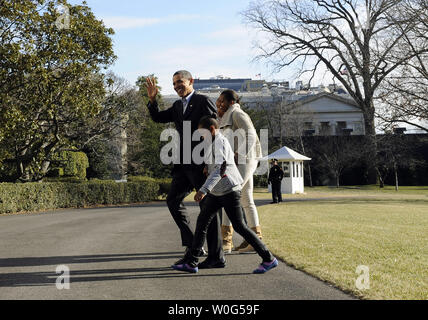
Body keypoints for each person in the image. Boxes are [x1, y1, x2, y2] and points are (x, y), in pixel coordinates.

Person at [172, 116, 278, 274]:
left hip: (229, 190)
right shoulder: (213, 142)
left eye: (202, 133)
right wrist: (207, 168)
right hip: (217, 192)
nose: (201, 136)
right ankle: (192, 262)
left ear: (212, 130)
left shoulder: (219, 141)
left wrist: (203, 190)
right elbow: (216, 164)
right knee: (202, 223)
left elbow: (221, 169)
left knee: (239, 227)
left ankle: (268, 258)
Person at [145, 71, 225, 269]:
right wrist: (153, 100)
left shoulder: (203, 101)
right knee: (172, 200)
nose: (176, 86)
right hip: (182, 165)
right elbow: (157, 118)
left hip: (201, 164)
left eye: (180, 82)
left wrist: (210, 162)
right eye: (173, 83)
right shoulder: (177, 105)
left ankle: (216, 257)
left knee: (209, 208)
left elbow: (214, 130)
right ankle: (193, 246)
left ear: (191, 81)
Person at [216, 89, 263, 254]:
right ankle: (254, 239)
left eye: (222, 100)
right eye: (218, 100)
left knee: (228, 195)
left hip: (245, 160)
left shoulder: (237, 113)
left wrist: (239, 153)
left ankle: (226, 241)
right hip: (238, 161)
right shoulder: (225, 117)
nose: (219, 103)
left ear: (231, 102)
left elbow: (251, 134)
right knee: (246, 200)